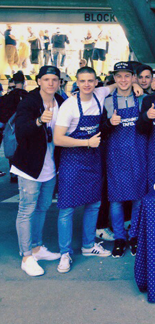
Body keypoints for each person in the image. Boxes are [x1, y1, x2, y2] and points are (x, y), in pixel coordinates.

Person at [53, 67, 141, 273]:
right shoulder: (69, 106)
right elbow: (58, 139)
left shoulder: (100, 94)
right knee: (67, 207)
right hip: (72, 160)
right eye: (82, 81)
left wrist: (135, 83)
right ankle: (64, 253)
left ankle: (87, 245)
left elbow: (119, 84)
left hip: (93, 159)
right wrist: (86, 143)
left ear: (96, 82)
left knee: (94, 204)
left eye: (90, 81)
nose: (87, 85)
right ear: (77, 82)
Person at [11, 65, 65, 276]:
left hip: (50, 166)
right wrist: (37, 121)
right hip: (29, 166)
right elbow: (21, 131)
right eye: (47, 79)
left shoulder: (61, 101)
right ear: (39, 81)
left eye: (55, 79)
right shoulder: (29, 102)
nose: (51, 83)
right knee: (27, 209)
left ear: (59, 82)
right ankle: (26, 256)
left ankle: (36, 247)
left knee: (43, 207)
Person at [103, 62, 148, 258]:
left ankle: (135, 235)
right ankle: (119, 238)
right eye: (119, 76)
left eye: (127, 76)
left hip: (138, 152)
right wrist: (108, 123)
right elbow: (101, 130)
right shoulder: (106, 101)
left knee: (138, 197)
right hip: (116, 154)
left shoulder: (142, 99)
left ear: (133, 78)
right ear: (114, 78)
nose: (123, 80)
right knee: (116, 199)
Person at [0, 71, 28, 183]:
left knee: (12, 150)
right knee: (23, 150)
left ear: (14, 82)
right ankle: (22, 172)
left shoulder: (6, 98)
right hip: (24, 129)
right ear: (24, 82)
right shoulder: (28, 96)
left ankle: (13, 173)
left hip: (9, 129)